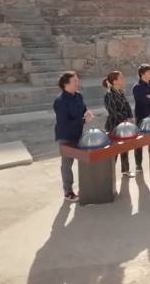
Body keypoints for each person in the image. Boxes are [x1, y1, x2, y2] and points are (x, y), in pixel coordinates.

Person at [53, 71, 93, 202]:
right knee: (67, 164)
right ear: (66, 84)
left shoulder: (78, 96)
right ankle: (68, 192)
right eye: (74, 81)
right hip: (66, 136)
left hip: (78, 134)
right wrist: (83, 121)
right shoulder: (60, 101)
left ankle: (84, 188)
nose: (77, 83)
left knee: (84, 161)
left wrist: (87, 113)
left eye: (77, 80)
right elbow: (65, 123)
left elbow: (83, 110)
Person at [102, 71, 135, 176]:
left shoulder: (121, 92)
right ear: (115, 81)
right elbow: (112, 111)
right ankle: (109, 173)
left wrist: (129, 116)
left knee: (125, 147)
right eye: (121, 78)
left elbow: (127, 106)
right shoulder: (108, 94)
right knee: (114, 150)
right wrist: (124, 118)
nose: (123, 80)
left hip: (124, 124)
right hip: (114, 125)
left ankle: (125, 170)